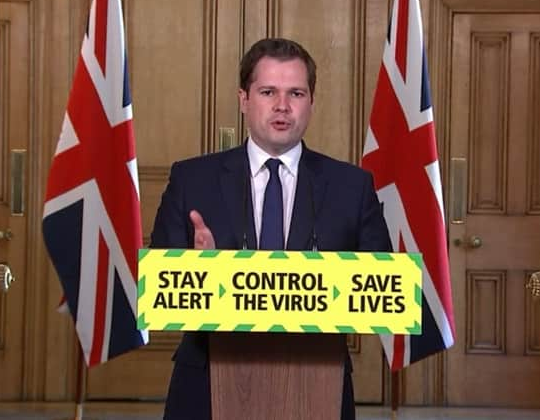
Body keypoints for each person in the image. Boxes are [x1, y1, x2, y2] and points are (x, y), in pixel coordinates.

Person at [150, 37, 392, 420]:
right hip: (207, 384)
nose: (282, 106)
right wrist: (198, 268)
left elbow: (384, 289)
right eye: (268, 92)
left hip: (317, 385)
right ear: (244, 98)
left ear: (312, 101)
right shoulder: (192, 179)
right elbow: (156, 288)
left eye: (296, 93)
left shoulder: (352, 187)